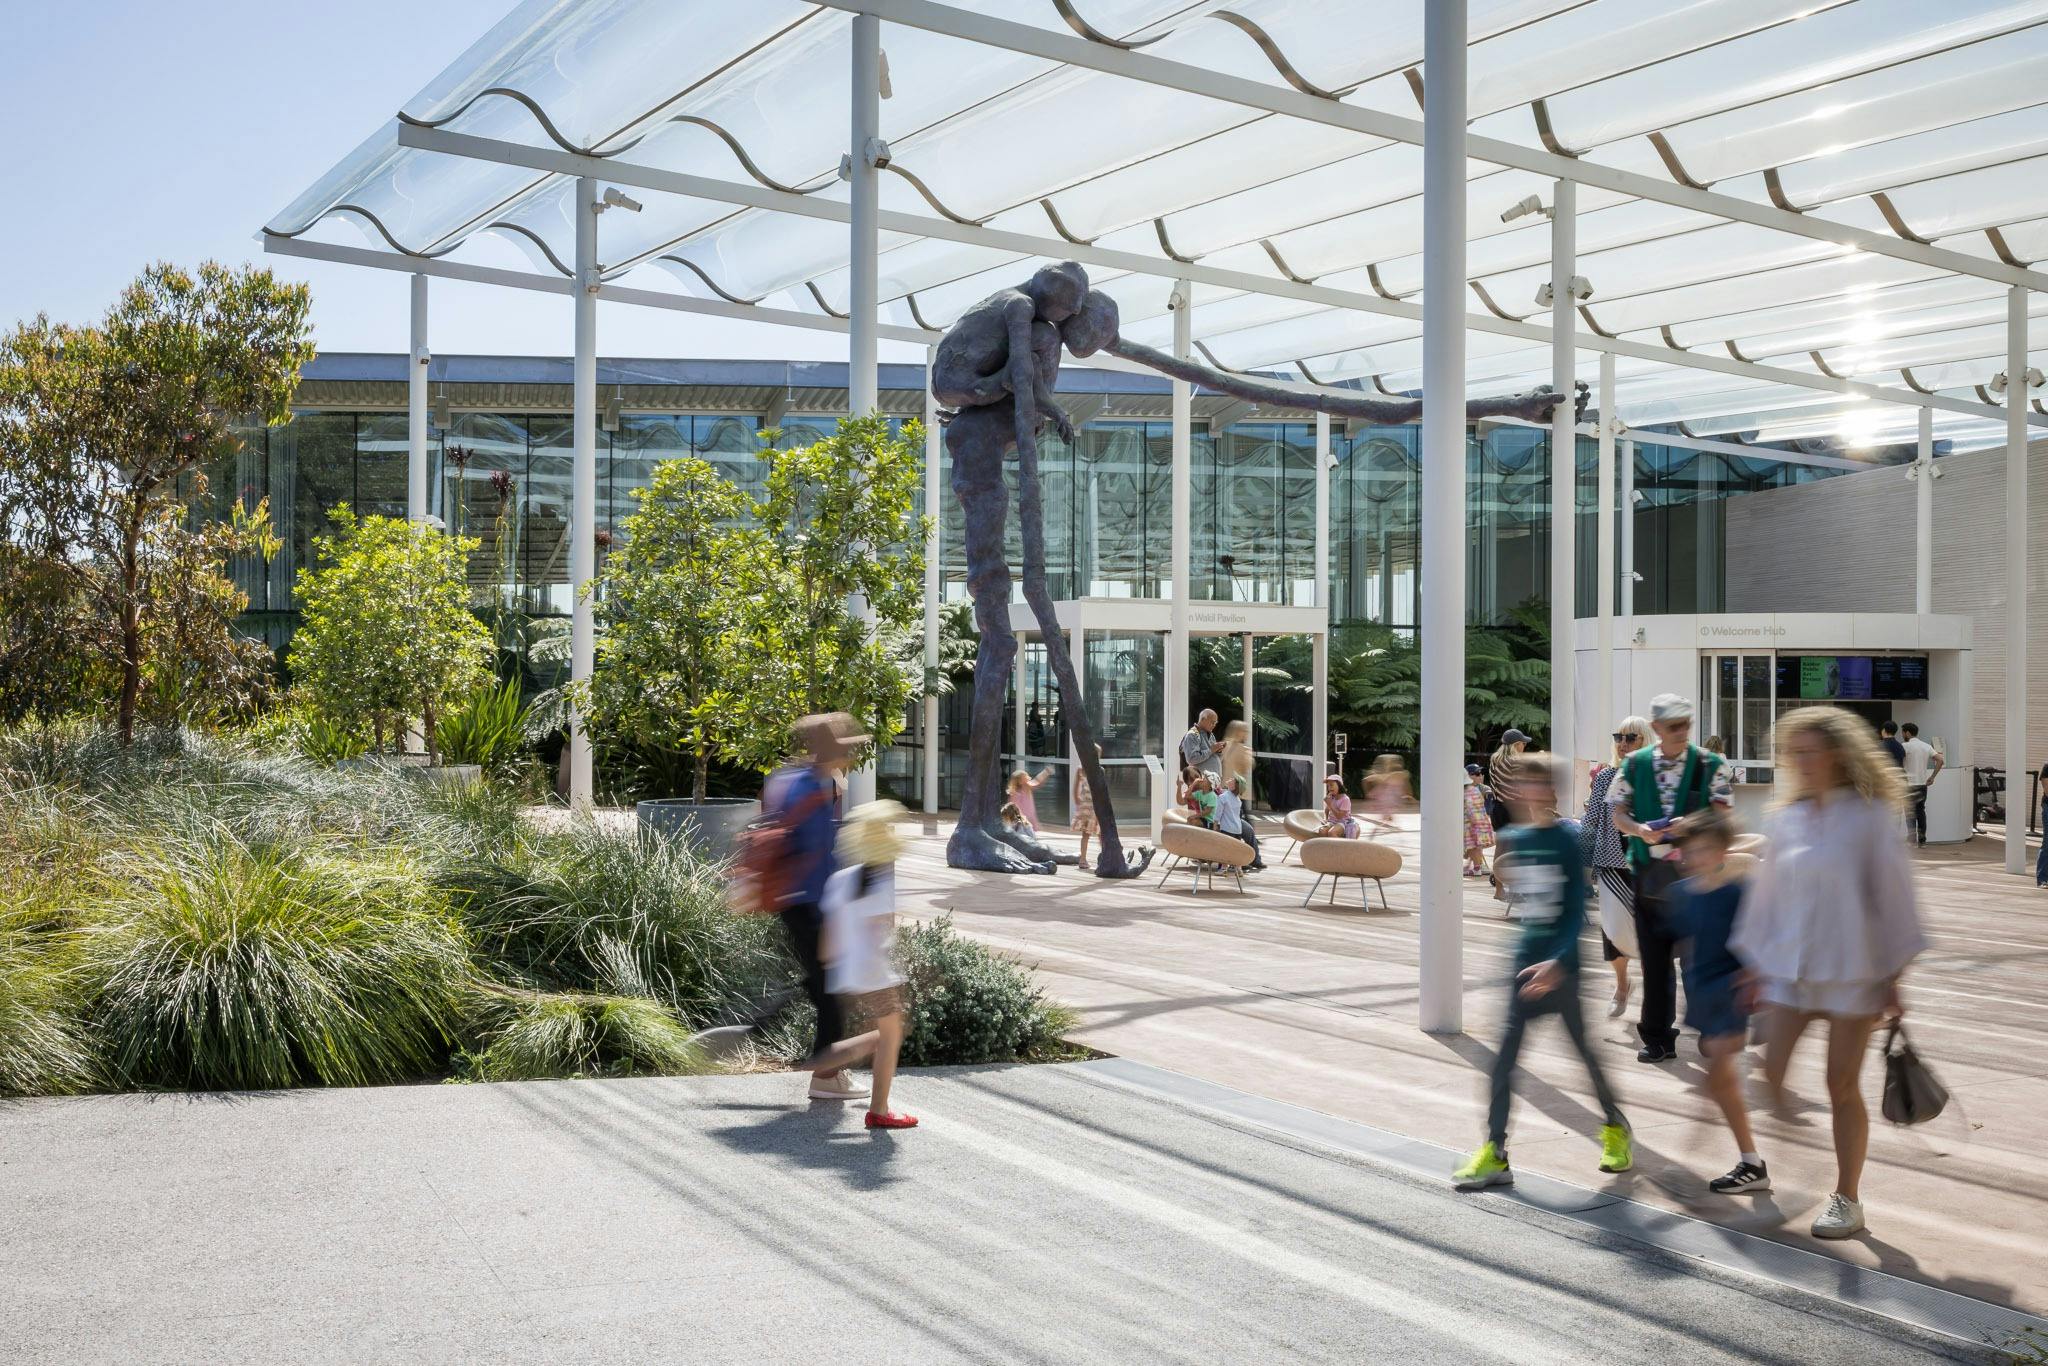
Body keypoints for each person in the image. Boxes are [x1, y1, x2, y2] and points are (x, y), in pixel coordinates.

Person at [1731, 705, 1926, 1240]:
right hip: (1790, 971)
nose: (1799, 761)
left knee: (1840, 1083)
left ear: (1837, 755)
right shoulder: (1785, 816)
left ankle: (1847, 1196)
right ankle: (1782, 1169)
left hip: (1853, 972)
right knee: (1770, 1075)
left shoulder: (1868, 817)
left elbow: (1894, 899)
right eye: (1793, 752)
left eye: (1808, 751)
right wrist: (1752, 965)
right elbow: (1765, 897)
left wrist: (1892, 975)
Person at [1454, 751, 1632, 1192]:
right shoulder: (1514, 837)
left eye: (1537, 785)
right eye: (1520, 784)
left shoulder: (1569, 840)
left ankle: (1615, 1129)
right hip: (1523, 965)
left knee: (1584, 1055)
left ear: (1549, 792)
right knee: (1504, 1062)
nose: (1527, 792)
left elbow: (1576, 911)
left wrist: (1558, 960)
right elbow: (1519, 900)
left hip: (1563, 967)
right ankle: (1495, 1152)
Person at [763, 713, 881, 1101]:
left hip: (791, 900)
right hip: (812, 903)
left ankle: (808, 1056)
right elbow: (821, 854)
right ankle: (826, 1076)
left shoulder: (787, 778)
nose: (850, 757)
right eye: (846, 750)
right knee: (832, 990)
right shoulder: (816, 786)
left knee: (821, 984)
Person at [1609, 693, 1732, 1063]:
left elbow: (1723, 817)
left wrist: (1691, 825)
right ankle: (1658, 1037)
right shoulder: (1634, 764)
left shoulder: (1710, 764)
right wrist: (1639, 830)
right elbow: (1618, 812)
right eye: (1673, 725)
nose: (1681, 731)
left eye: (1686, 724)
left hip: (1699, 877)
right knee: (1655, 958)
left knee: (1700, 958)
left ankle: (1711, 1027)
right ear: (1657, 727)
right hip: (1649, 874)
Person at [1668, 810, 1766, 1196]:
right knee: (1719, 1075)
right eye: (1690, 851)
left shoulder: (1738, 892)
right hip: (1701, 992)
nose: (1697, 857)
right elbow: (1682, 944)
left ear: (1724, 850)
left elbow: (1759, 936)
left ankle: (1747, 1160)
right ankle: (1751, 1162)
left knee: (1718, 1079)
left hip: (1731, 992)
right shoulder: (1682, 894)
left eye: (1706, 849)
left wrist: (1753, 974)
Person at [822, 800, 917, 1130]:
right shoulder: (878, 883)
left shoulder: (840, 879)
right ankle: (878, 1109)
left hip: (846, 971)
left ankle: (826, 1060)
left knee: (885, 1033)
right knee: (891, 1036)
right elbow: (881, 935)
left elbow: (829, 938)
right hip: (873, 972)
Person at [1580, 717, 1649, 1019]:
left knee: (1648, 931)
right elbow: (1591, 820)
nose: (1623, 743)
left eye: (1631, 737)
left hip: (1647, 864)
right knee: (1611, 929)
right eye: (1619, 736)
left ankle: (1655, 997)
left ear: (1644, 740)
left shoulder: (1653, 777)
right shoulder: (1606, 777)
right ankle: (1622, 986)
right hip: (1610, 863)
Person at [1899, 722, 1943, 846]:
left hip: (1908, 785)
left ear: (1907, 733)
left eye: (1903, 732)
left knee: (1909, 812)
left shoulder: (1904, 746)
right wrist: (1932, 777)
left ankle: (1911, 840)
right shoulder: (1926, 746)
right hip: (1922, 785)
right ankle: (1922, 841)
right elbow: (1940, 760)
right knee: (1921, 812)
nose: (1902, 735)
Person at [1215, 775, 1265, 871]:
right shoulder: (1226, 796)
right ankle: (1239, 864)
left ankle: (1253, 860)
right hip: (1228, 821)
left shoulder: (1228, 795)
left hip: (1231, 820)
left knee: (1249, 830)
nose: (1229, 779)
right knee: (1232, 843)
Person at [1072, 744, 1103, 872]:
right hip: (1090, 806)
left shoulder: (1093, 769)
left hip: (1090, 806)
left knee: (1096, 834)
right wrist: (1078, 801)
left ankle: (1085, 859)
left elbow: (1075, 789)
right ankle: (1083, 859)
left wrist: (1078, 801)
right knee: (1092, 834)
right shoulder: (1084, 770)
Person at [1362, 754, 1410, 834]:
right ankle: (1387, 821)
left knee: (1386, 811)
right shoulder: (1400, 775)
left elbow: (1367, 780)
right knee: (1386, 811)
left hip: (1389, 797)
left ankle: (1386, 821)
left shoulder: (1396, 775)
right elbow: (1405, 786)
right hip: (1388, 796)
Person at [1462, 763, 1495, 877]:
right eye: (1476, 774)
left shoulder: (1465, 792)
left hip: (1471, 823)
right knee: (1476, 846)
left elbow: (1470, 808)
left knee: (1471, 847)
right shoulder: (1474, 790)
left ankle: (1476, 867)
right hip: (1481, 822)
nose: (1480, 776)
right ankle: (1476, 867)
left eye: (1480, 774)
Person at [1179, 709, 1225, 784]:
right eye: (1212, 722)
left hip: (1212, 781)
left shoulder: (1211, 734)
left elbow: (1213, 755)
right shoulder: (1192, 735)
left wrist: (1218, 751)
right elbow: (1192, 759)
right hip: (1202, 783)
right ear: (1203, 719)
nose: (1214, 725)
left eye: (1215, 723)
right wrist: (1211, 750)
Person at [1220, 719, 1255, 798]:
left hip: (1231, 788)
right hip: (1234, 788)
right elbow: (1247, 767)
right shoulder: (1243, 749)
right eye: (1244, 731)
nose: (1247, 733)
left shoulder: (1226, 745)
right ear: (1237, 731)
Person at [1318, 773, 1357, 838]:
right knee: (1322, 831)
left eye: (1331, 785)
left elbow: (1339, 816)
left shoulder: (1345, 799)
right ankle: (1327, 847)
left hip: (1343, 822)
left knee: (1332, 832)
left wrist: (1330, 804)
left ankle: (1338, 848)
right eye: (1328, 786)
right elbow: (1327, 810)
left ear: (1339, 785)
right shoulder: (1331, 797)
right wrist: (1326, 819)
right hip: (1332, 821)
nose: (1329, 788)